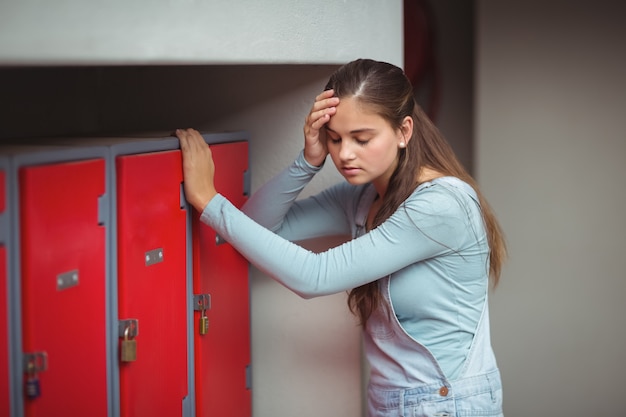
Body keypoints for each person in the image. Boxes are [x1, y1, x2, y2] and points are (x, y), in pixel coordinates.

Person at [176, 58, 506, 417]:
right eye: (334, 138)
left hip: (446, 404)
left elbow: (314, 276)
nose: (345, 154)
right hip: (390, 402)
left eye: (362, 139)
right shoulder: (362, 199)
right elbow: (257, 224)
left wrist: (208, 201)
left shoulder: (440, 206)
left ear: (403, 131)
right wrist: (308, 161)